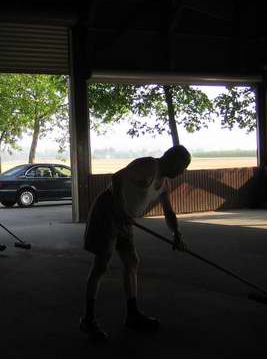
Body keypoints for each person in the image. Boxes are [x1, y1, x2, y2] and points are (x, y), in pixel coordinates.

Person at [80, 145, 192, 341]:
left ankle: (132, 315)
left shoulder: (164, 183)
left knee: (131, 262)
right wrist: (119, 207)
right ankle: (88, 320)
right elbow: (117, 177)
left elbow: (169, 212)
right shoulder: (148, 166)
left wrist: (177, 234)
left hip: (125, 218)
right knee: (101, 266)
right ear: (172, 160)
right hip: (107, 210)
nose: (182, 172)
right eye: (182, 167)